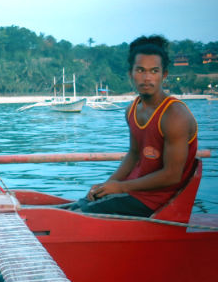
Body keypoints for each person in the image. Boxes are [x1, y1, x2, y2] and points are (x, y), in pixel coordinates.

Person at [71, 35, 198, 217]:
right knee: (79, 205)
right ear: (130, 74)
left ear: (165, 75)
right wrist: (107, 185)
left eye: (154, 71)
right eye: (140, 70)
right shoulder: (132, 109)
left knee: (78, 215)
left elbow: (172, 175)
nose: (147, 78)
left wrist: (121, 186)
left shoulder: (174, 115)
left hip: (156, 201)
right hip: (133, 192)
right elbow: (134, 155)